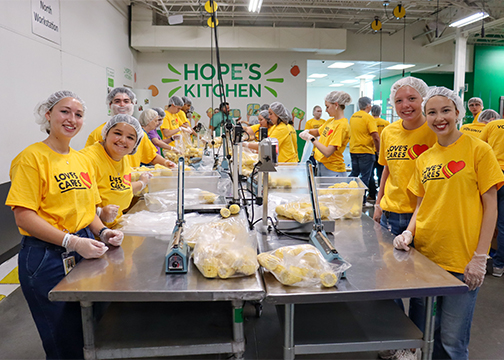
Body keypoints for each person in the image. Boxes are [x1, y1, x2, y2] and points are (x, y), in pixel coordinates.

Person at [6, 91, 124, 359]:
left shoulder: (80, 159)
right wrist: (70, 241)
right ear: (48, 115)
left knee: (92, 330)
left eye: (78, 114)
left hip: (83, 248)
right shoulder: (32, 158)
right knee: (64, 339)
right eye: (64, 112)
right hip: (46, 256)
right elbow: (24, 216)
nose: (72, 119)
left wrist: (102, 231)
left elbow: (88, 209)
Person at [393, 86, 504, 359]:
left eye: (445, 111)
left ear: (458, 113)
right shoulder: (424, 159)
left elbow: (491, 206)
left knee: (453, 341)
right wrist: (408, 233)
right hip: (427, 260)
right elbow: (422, 204)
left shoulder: (479, 150)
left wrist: (480, 256)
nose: (438, 118)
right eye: (431, 112)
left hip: (461, 261)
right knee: (426, 335)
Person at [373, 77, 437, 236]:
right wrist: (378, 204)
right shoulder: (388, 132)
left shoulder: (435, 132)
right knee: (388, 260)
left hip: (424, 213)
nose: (405, 105)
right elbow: (387, 171)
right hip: (390, 213)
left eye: (412, 98)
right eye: (398, 100)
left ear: (424, 100)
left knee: (419, 261)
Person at [81, 114, 154, 228]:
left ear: (136, 143)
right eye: (118, 133)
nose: (123, 140)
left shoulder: (122, 159)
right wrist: (99, 212)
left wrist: (142, 183)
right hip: (89, 234)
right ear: (106, 133)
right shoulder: (87, 159)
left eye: (130, 137)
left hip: (113, 227)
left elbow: (119, 188)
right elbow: (75, 201)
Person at [85, 87, 175, 169]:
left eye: (126, 101)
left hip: (131, 182)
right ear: (110, 105)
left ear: (133, 104)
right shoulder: (98, 133)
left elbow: (151, 156)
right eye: (117, 101)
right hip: (107, 183)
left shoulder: (140, 133)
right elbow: (87, 161)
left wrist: (166, 162)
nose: (122, 104)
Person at [299, 91, 352, 176]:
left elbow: (327, 152)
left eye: (327, 107)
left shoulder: (342, 126)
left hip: (333, 170)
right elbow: (318, 132)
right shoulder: (331, 121)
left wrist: (311, 138)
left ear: (336, 105)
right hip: (322, 165)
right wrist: (308, 131)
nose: (326, 110)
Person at [479, 110, 504, 277]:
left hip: (495, 174)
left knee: (486, 215)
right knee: (503, 223)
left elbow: (480, 148)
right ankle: (499, 264)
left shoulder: (493, 125)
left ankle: (492, 262)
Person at [349, 97, 380, 204]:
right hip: (366, 151)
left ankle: (347, 194)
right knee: (365, 177)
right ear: (368, 105)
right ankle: (360, 201)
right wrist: (378, 150)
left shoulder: (353, 116)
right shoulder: (368, 118)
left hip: (353, 150)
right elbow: (375, 136)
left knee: (354, 174)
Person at [368, 105, 390, 200]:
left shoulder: (369, 122)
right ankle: (383, 195)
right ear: (380, 112)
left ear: (371, 112)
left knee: (370, 174)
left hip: (370, 151)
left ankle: (372, 194)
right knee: (382, 174)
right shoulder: (386, 123)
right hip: (382, 152)